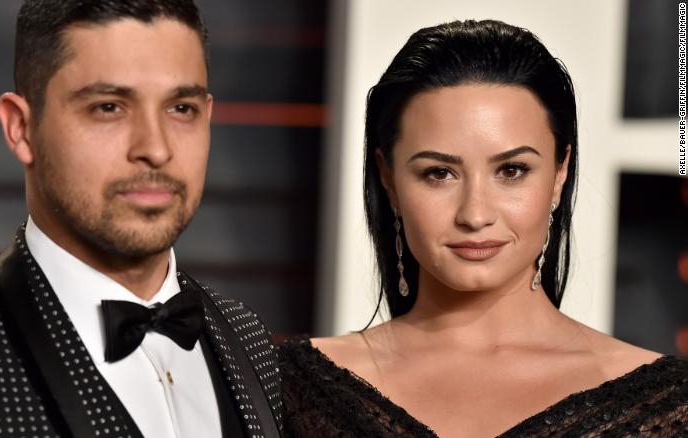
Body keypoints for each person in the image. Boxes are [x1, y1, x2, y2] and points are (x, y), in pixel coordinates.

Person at [279, 19, 687, 437]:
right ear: (388, 178)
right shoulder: (290, 388)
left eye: (511, 170)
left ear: (560, 173)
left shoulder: (670, 404)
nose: (475, 215)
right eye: (439, 173)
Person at [0, 1, 282, 437]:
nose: (156, 149)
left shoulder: (248, 336)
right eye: (109, 107)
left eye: (181, 108)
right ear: (21, 128)